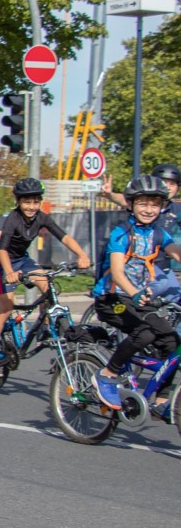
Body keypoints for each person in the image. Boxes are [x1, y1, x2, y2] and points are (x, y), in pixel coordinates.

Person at [89, 175, 181, 412]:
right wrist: (135, 293)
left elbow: (177, 253)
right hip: (113, 300)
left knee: (170, 340)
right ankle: (107, 374)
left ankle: (161, 402)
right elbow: (118, 273)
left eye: (154, 204)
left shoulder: (159, 233)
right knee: (145, 333)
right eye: (143, 203)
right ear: (130, 204)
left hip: (138, 300)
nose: (149, 209)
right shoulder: (121, 233)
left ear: (161, 206)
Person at [0, 178, 91, 365]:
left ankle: (45, 326)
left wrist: (82, 255)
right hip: (3, 261)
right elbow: (2, 249)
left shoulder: (42, 217)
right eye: (26, 202)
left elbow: (64, 236)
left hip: (22, 259)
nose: (32, 206)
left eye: (35, 201)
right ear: (18, 202)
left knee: (48, 288)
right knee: (6, 308)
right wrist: (9, 272)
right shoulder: (13, 220)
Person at [101, 163, 181, 300]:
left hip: (164, 263)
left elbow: (175, 251)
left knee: (176, 297)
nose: (149, 210)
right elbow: (125, 199)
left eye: (172, 184)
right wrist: (110, 195)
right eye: (164, 182)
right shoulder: (124, 231)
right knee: (159, 286)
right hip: (140, 264)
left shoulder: (176, 209)